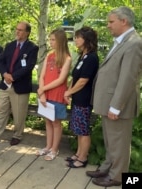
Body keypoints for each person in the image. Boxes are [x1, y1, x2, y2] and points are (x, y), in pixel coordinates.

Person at [86, 6, 142, 187]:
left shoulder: (134, 43)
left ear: (123, 21)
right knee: (111, 140)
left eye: (111, 22)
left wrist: (116, 106)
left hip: (118, 104)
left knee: (119, 142)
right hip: (109, 102)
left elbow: (128, 78)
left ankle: (118, 177)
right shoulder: (121, 41)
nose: (108, 26)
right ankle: (108, 168)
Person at [0, 21, 39, 146]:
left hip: (20, 86)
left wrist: (13, 77)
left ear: (27, 33)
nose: (17, 32)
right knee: (1, 111)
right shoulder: (10, 45)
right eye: (17, 29)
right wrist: (5, 74)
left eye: (20, 30)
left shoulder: (32, 48)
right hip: (5, 84)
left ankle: (17, 135)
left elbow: (28, 67)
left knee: (19, 113)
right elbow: (0, 62)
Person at [64, 26, 99, 167]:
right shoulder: (82, 56)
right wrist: (69, 89)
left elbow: (83, 80)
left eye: (78, 37)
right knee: (78, 128)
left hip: (84, 99)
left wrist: (69, 92)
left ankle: (83, 158)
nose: (76, 40)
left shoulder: (92, 58)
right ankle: (78, 153)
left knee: (83, 129)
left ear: (87, 40)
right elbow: (75, 77)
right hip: (77, 98)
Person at [35, 28, 71, 161]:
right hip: (46, 94)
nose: (50, 42)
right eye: (50, 39)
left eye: (53, 39)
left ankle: (55, 149)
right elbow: (42, 75)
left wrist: (42, 88)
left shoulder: (67, 58)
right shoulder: (49, 56)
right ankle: (48, 146)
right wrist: (42, 92)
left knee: (56, 122)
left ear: (61, 41)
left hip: (57, 94)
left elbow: (61, 80)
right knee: (48, 121)